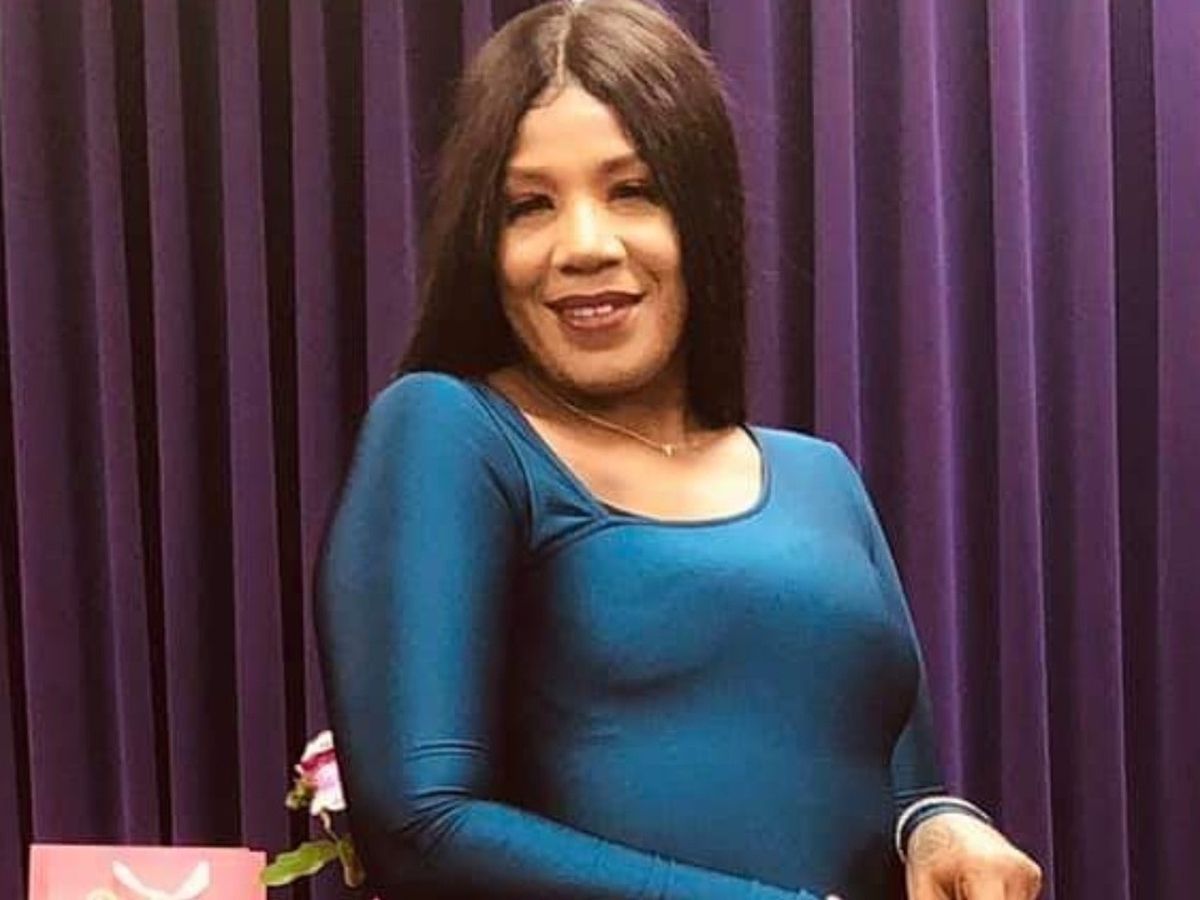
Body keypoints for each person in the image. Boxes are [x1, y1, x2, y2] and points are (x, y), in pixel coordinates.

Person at [314, 1, 1043, 898]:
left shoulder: (821, 477)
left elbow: (902, 783)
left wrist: (942, 825)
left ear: (703, 214)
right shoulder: (453, 432)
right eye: (528, 205)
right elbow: (422, 826)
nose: (585, 245)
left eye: (633, 190)